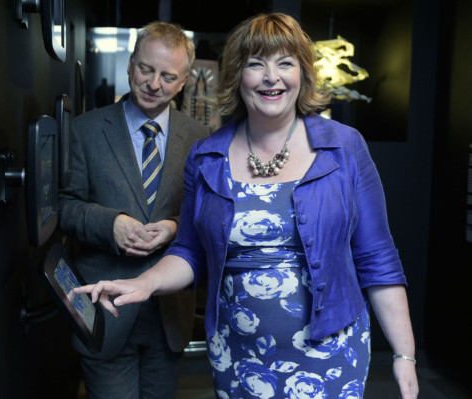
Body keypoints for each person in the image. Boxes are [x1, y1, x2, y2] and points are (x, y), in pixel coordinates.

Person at [75, 13, 419, 399]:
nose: (271, 77)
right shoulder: (206, 155)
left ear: (303, 73)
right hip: (239, 356)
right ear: (238, 76)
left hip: (331, 352)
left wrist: (405, 355)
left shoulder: (344, 147)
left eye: (285, 63)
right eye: (256, 64)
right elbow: (190, 252)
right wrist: (144, 282)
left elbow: (377, 258)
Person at [58, 21, 209, 399]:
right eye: (145, 69)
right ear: (129, 64)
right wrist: (111, 225)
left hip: (169, 314)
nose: (153, 84)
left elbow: (206, 215)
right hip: (105, 308)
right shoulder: (85, 130)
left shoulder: (200, 138)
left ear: (183, 80)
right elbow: (63, 208)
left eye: (167, 76)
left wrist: (175, 227)